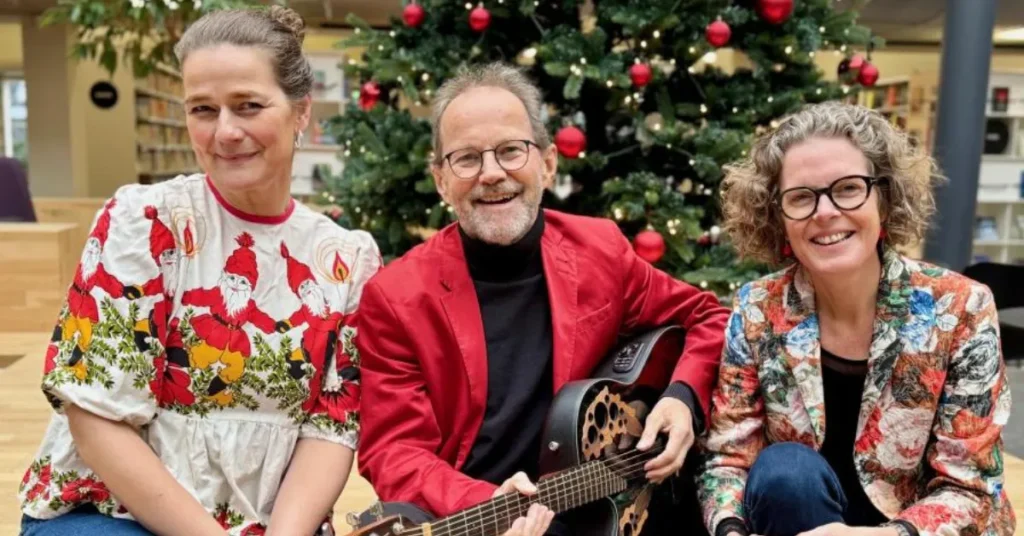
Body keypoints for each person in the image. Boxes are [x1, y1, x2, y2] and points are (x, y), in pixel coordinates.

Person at [18, 6, 380, 535]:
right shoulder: (145, 223)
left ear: (301, 112)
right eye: (203, 110)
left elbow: (330, 426)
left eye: (248, 105)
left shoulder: (345, 258)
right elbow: (95, 416)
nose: (226, 131)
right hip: (111, 512)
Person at [354, 62, 730, 536]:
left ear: (548, 163)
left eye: (511, 151)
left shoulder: (600, 250)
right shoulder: (395, 296)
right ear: (441, 180)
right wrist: (487, 501)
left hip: (614, 507)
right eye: (466, 159)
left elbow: (708, 318)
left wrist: (681, 399)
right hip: (484, 519)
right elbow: (394, 451)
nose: (491, 174)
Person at [698, 101, 1015, 536]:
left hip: (913, 529)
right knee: (784, 470)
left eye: (848, 188)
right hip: (799, 516)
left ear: (884, 199)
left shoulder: (961, 307)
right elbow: (729, 459)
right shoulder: (757, 309)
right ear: (778, 217)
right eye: (802, 197)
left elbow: (972, 487)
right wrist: (731, 530)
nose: (825, 212)